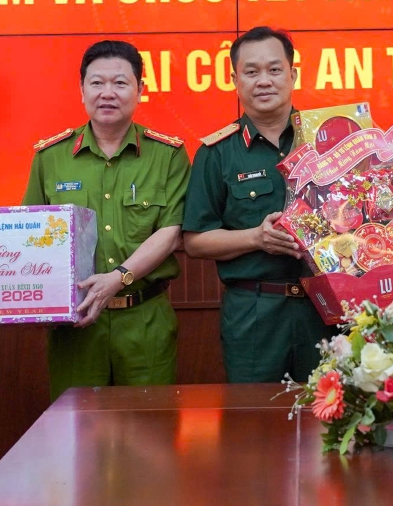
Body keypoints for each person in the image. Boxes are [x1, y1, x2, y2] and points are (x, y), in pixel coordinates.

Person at [23, 39, 190, 399]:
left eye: (120, 83)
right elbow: (29, 235)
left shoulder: (168, 155)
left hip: (144, 320)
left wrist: (119, 278)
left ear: (140, 90)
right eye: (97, 82)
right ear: (81, 89)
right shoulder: (50, 157)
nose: (107, 93)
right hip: (77, 325)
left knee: (150, 428)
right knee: (77, 428)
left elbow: (172, 230)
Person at [183, 26, 332, 382]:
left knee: (328, 410)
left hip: (326, 308)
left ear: (293, 74)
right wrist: (255, 238)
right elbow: (195, 241)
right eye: (251, 72)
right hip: (253, 314)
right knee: (252, 414)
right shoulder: (216, 153)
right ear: (235, 80)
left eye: (274, 69)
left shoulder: (330, 141)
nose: (263, 80)